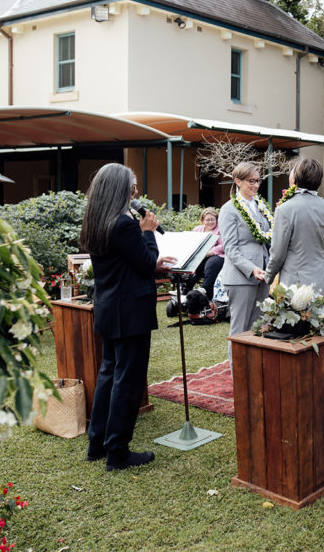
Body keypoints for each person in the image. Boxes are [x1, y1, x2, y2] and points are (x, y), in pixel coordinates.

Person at [80, 163, 176, 471]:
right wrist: (147, 233)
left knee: (109, 374)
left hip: (110, 307)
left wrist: (149, 257)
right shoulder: (123, 223)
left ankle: (97, 443)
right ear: (120, 189)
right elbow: (145, 262)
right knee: (128, 380)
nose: (136, 192)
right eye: (132, 186)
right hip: (130, 311)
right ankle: (118, 452)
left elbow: (123, 262)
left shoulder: (97, 220)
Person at [218, 162, 272, 366]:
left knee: (258, 327)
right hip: (241, 278)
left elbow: (267, 237)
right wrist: (251, 269)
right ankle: (239, 376)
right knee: (240, 331)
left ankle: (254, 372)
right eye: (251, 181)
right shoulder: (229, 209)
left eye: (258, 181)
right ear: (238, 181)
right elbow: (231, 249)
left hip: (263, 275)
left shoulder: (260, 205)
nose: (256, 185)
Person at [266, 157, 324, 296]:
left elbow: (277, 253)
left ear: (296, 177)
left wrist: (268, 276)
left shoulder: (285, 208)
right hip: (321, 279)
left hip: (296, 283)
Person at [187, 207, 224, 300]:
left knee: (212, 263)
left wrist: (209, 253)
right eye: (207, 220)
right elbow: (191, 243)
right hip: (200, 256)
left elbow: (223, 246)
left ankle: (206, 289)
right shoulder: (197, 230)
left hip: (218, 255)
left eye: (213, 219)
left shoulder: (220, 230)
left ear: (216, 220)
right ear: (202, 221)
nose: (210, 222)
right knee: (191, 263)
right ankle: (185, 289)